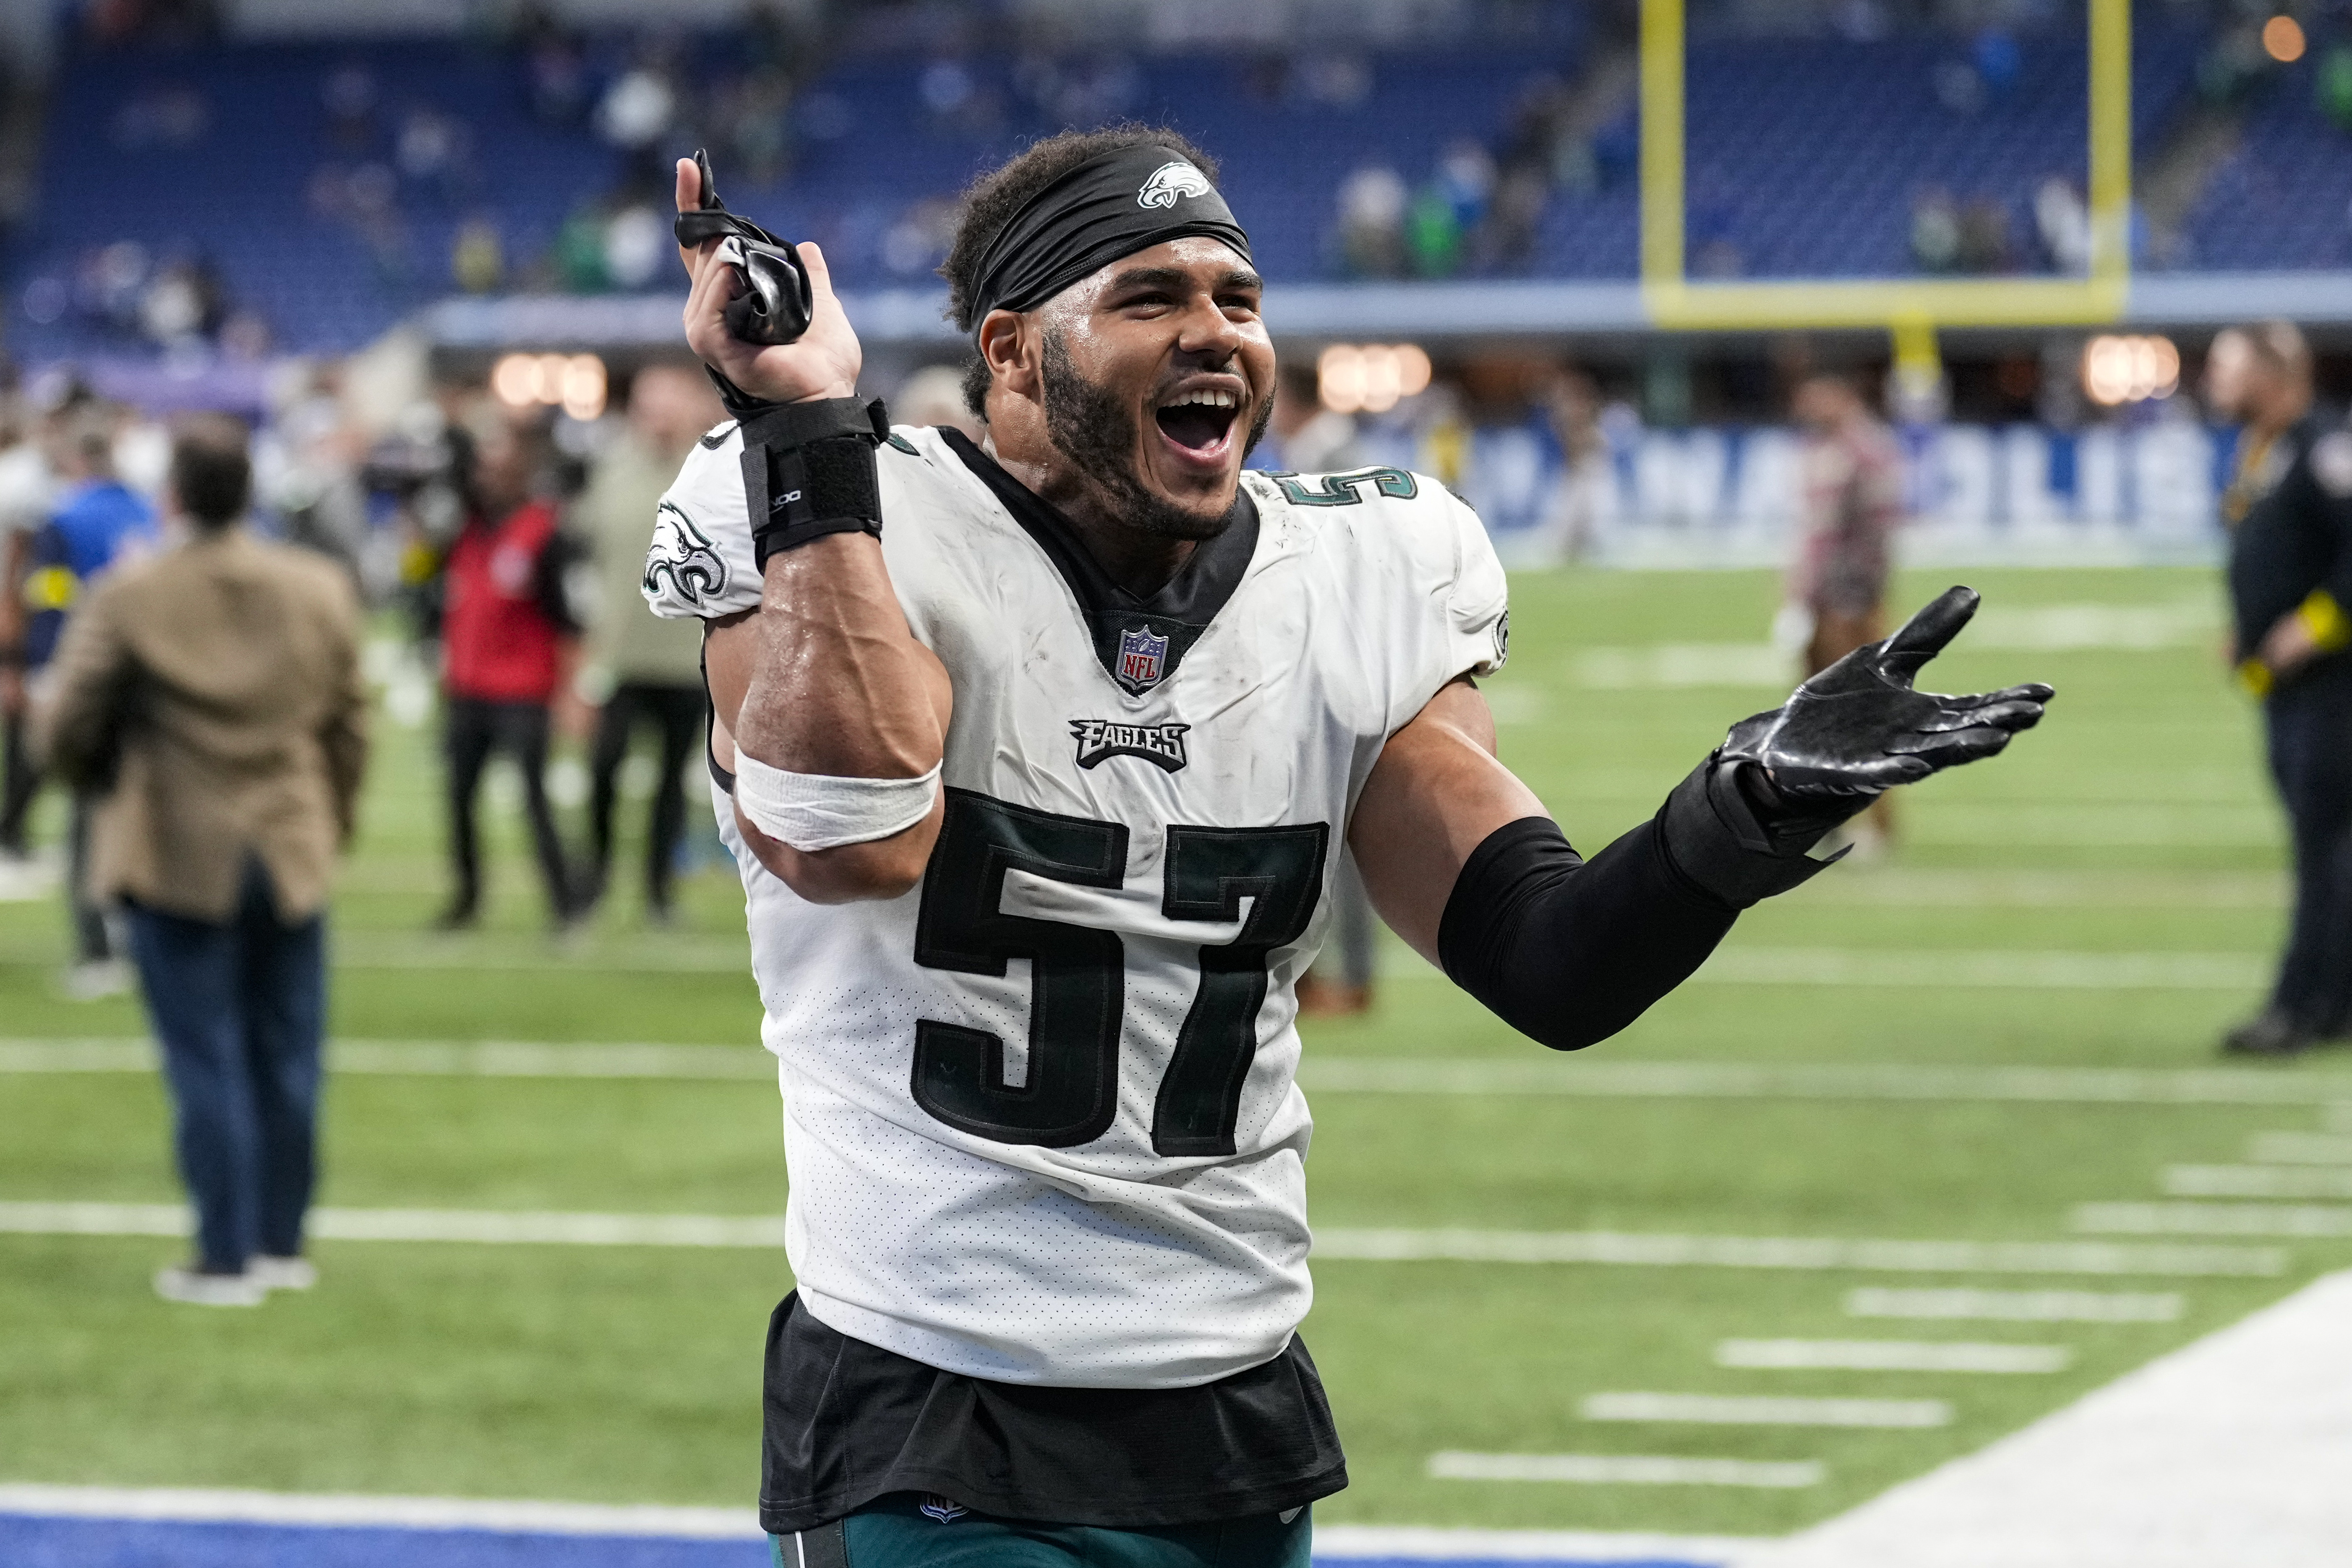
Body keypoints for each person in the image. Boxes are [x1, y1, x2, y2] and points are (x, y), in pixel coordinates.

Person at [648, 129, 2049, 1563]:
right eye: (1150, 298)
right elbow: (845, 836)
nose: (1214, 334)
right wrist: (808, 433)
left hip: (1233, 1408)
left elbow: (1548, 961)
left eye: (1237, 300)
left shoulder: (1362, 569)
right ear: (1012, 348)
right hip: (933, 1404)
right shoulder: (836, 500)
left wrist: (1743, 810)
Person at [38, 414, 368, 1307]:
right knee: (289, 1053)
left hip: (176, 845)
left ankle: (223, 1255)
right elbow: (349, 722)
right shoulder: (316, 586)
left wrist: (100, 777)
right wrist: (329, 817)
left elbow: (62, 723)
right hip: (291, 841)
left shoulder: (132, 592)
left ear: (172, 494)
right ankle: (279, 1242)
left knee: (205, 1057)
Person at [2207, 321, 2352, 1056]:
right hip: (2288, 687)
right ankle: (2332, 1004)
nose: (2215, 379)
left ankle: (2299, 1007)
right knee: (2327, 847)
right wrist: (2249, 624)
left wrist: (2316, 624)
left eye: (2228, 365)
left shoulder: (2324, 444)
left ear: (2274, 372)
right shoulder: (2263, 447)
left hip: (2332, 684)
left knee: (2323, 849)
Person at [22, 402, 161, 994]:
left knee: (85, 820)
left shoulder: (65, 517)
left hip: (87, 682)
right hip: (150, 684)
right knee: (141, 815)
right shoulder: (148, 513)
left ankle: (96, 947)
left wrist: (39, 674)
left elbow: (50, 600)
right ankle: (140, 935)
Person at [578, 364, 720, 924]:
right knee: (602, 771)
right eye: (651, 402)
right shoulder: (609, 468)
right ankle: (594, 880)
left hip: (687, 658)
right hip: (619, 654)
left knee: (670, 785)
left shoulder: (713, 469)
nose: (660, 415)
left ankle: (660, 891)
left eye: (671, 401)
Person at [1261, 359, 1377, 1016]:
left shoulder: (1327, 460)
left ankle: (1352, 980)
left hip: (1331, 669)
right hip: (1317, 664)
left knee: (1336, 831)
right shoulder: (1328, 450)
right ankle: (1309, 974)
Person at [435, 414, 581, 930]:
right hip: (467, 687)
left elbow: (568, 622)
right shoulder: (471, 529)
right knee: (458, 797)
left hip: (523, 689)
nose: (486, 479)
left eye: (498, 470)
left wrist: (570, 695)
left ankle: (565, 902)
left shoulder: (542, 535)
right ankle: (466, 898)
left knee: (533, 799)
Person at [1782, 370, 1906, 854]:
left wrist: (1858, 597)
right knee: (1809, 718)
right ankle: (1821, 818)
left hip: (1848, 601)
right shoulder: (1820, 449)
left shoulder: (1867, 451)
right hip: (1818, 601)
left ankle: (1876, 825)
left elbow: (1875, 537)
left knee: (1860, 715)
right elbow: (1810, 535)